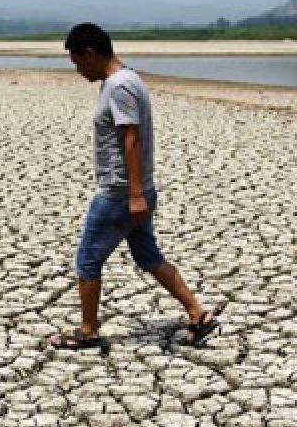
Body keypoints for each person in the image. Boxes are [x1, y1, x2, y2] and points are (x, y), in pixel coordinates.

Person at [50, 22, 217, 351]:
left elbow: (131, 139)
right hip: (133, 192)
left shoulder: (120, 86)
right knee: (148, 256)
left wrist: (136, 195)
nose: (79, 71)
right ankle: (198, 314)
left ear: (91, 53)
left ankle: (87, 331)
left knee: (87, 261)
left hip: (120, 194)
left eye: (78, 63)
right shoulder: (124, 80)